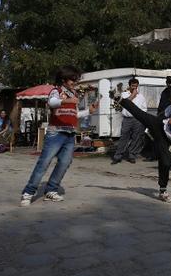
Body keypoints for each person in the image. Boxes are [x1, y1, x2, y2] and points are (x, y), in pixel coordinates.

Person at [20, 65, 97, 207]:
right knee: (44, 162)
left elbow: (74, 115)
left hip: (70, 134)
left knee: (65, 163)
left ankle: (51, 190)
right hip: (56, 133)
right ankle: (28, 192)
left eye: (76, 79)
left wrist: (88, 111)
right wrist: (66, 101)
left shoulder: (74, 95)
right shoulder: (56, 91)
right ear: (64, 79)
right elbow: (52, 102)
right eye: (72, 79)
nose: (75, 82)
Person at [120, 84, 171, 202]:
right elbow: (161, 118)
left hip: (170, 142)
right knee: (143, 116)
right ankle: (121, 100)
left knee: (166, 163)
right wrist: (153, 125)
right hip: (160, 129)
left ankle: (162, 191)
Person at [111, 77, 147, 165]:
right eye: (133, 86)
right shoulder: (124, 95)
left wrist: (142, 118)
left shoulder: (141, 96)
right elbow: (121, 104)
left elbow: (144, 108)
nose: (134, 88)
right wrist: (132, 95)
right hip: (127, 119)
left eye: (136, 86)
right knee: (124, 138)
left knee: (136, 138)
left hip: (137, 120)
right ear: (129, 85)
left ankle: (132, 155)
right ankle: (118, 156)